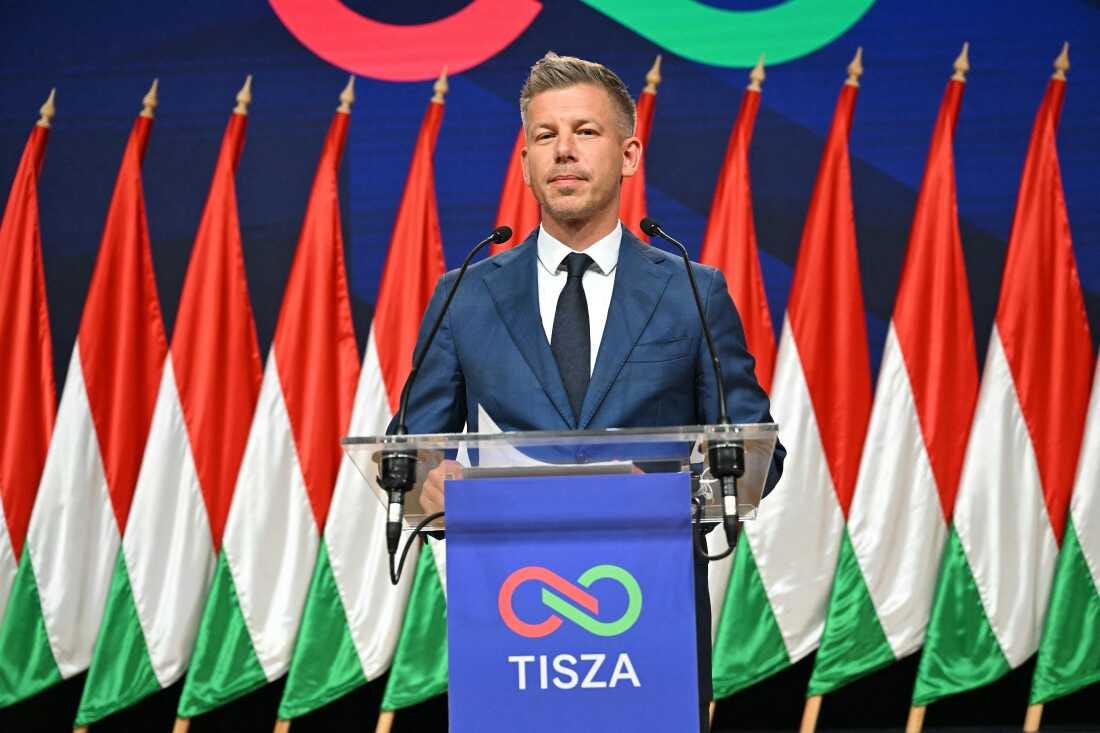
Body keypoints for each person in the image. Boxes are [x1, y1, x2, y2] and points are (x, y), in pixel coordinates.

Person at [392, 52, 784, 732]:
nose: (564, 151)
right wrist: (427, 480)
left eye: (585, 132)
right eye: (545, 135)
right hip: (514, 617)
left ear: (629, 155)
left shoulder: (691, 291)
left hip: (650, 616)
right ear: (525, 163)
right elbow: (407, 449)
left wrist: (665, 491)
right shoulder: (466, 294)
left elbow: (756, 453)